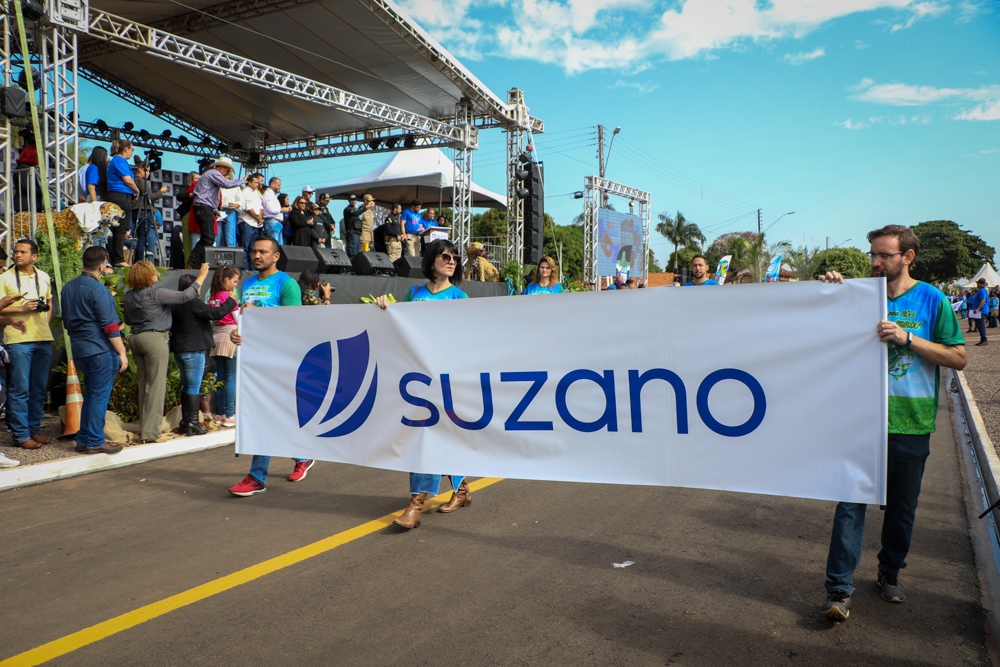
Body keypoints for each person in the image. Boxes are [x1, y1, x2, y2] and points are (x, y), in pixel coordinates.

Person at [818, 224, 966, 621]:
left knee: (902, 509)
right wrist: (829, 288)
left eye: (883, 255)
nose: (875, 262)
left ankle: (889, 571)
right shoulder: (860, 296)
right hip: (861, 421)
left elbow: (957, 357)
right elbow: (817, 322)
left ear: (908, 257)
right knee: (850, 504)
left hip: (911, 423)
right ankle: (839, 589)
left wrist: (907, 338)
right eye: (872, 255)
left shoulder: (933, 300)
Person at [374, 239, 471, 529]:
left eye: (454, 257)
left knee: (434, 437)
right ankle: (461, 489)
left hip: (446, 380)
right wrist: (385, 308)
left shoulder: (460, 298)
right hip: (416, 381)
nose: (451, 261)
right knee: (425, 437)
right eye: (445, 256)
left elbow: (467, 340)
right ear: (431, 261)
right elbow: (399, 329)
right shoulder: (414, 293)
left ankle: (416, 504)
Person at [228, 237, 314, 496]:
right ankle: (301, 456)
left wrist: (259, 315)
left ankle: (257, 476)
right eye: (254, 251)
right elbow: (247, 321)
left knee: (272, 415)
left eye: (263, 252)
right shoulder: (248, 283)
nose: (257, 255)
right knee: (267, 415)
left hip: (280, 361)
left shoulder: (287, 284)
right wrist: (238, 333)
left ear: (276, 256)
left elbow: (294, 325)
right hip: (254, 361)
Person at [123, 261, 210, 443]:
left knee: (144, 385)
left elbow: (128, 319)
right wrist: (202, 275)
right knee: (156, 387)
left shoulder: (129, 295)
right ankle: (151, 433)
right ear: (147, 275)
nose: (157, 275)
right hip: (154, 339)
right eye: (154, 273)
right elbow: (186, 296)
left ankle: (145, 429)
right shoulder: (156, 292)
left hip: (136, 339)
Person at [62, 246, 129, 454]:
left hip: (79, 349)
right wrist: (122, 352)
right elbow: (110, 327)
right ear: (101, 265)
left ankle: (84, 439)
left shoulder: (68, 287)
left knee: (91, 395)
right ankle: (95, 441)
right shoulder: (99, 290)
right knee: (98, 396)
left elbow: (67, 322)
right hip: (100, 349)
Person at [0, 240, 54, 449]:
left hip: (42, 338)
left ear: (35, 256)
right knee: (20, 389)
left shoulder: (44, 276)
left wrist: (44, 325)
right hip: (17, 340)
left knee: (39, 388)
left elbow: (48, 303)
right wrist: (21, 309)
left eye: (23, 252)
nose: (18, 255)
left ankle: (33, 431)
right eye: (15, 252)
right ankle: (20, 435)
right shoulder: (4, 278)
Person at [170, 273, 237, 436]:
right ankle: (193, 423)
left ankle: (186, 422)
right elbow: (216, 314)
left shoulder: (176, 303)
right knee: (193, 386)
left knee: (187, 386)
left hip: (179, 350)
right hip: (193, 350)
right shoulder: (193, 302)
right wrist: (232, 301)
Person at [189, 157, 245, 267]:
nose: (227, 174)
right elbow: (227, 184)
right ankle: (194, 262)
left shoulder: (210, 174)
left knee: (207, 237)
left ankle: (195, 262)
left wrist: (214, 210)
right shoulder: (214, 173)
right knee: (209, 237)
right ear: (222, 168)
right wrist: (242, 181)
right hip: (204, 207)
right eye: (228, 171)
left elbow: (207, 194)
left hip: (204, 207)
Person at [209, 266, 241, 427]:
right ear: (227, 280)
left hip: (216, 337)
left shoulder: (212, 295)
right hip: (231, 337)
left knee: (220, 377)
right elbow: (238, 318)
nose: (236, 285)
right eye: (235, 281)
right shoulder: (230, 296)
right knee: (231, 378)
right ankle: (230, 414)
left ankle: (221, 414)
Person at [105, 139, 140, 267]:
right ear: (126, 149)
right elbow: (128, 180)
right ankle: (119, 259)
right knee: (120, 229)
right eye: (132, 149)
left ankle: (117, 259)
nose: (132, 152)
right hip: (120, 196)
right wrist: (137, 190)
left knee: (118, 229)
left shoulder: (116, 160)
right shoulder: (120, 160)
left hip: (119, 195)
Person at [131, 156, 169, 263]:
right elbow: (150, 196)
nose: (148, 173)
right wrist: (161, 191)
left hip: (137, 210)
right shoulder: (141, 181)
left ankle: (139, 261)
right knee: (142, 238)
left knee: (140, 238)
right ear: (140, 169)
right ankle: (139, 262)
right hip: (143, 211)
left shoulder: (135, 180)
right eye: (147, 171)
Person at [238, 172, 264, 270]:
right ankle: (245, 267)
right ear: (249, 182)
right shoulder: (245, 192)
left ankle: (253, 268)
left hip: (256, 224)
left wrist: (260, 216)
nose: (257, 184)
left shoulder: (256, 193)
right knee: (246, 246)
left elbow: (260, 206)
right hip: (247, 222)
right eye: (255, 182)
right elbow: (248, 208)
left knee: (253, 248)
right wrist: (257, 217)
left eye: (258, 183)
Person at [971, 278, 989, 346]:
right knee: (979, 325)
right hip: (980, 310)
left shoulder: (982, 291)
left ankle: (984, 339)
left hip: (981, 311)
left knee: (981, 325)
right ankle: (983, 339)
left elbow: (983, 300)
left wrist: (978, 308)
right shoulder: (982, 290)